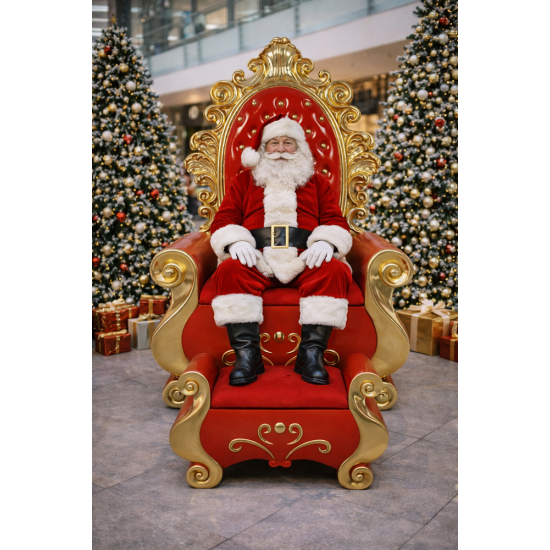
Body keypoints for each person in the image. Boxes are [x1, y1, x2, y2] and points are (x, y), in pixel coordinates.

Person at [210, 114, 353, 386]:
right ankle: (247, 355)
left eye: (288, 142)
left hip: (304, 258)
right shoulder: (243, 181)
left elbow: (335, 220)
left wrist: (326, 241)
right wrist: (236, 241)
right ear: (263, 149)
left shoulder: (317, 183)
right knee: (230, 270)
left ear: (299, 147)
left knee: (334, 270)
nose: (280, 150)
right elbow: (224, 219)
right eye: (274, 143)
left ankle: (311, 354)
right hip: (257, 258)